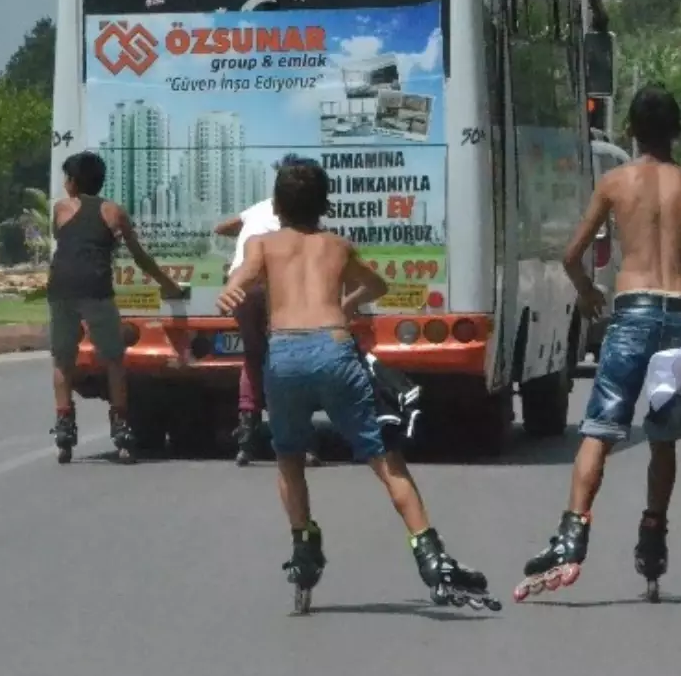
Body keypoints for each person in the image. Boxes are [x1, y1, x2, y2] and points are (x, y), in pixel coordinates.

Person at [216, 157, 499, 610]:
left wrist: (232, 288)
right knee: (385, 458)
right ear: (324, 205)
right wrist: (344, 305)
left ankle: (303, 543)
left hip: (285, 354)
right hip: (334, 349)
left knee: (288, 458)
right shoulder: (337, 246)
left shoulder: (265, 245)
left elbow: (242, 277)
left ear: (278, 206)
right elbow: (377, 287)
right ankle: (430, 553)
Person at [516, 85, 681, 600]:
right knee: (663, 434)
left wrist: (585, 293)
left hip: (633, 308)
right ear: (678, 131)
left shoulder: (614, 183)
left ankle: (573, 532)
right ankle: (653, 535)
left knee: (601, 427)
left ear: (630, 130)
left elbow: (572, 253)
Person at [48, 152, 185, 464]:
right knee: (113, 360)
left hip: (61, 289)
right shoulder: (113, 211)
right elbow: (139, 256)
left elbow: (65, 240)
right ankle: (121, 427)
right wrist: (168, 285)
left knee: (62, 360)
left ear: (72, 182)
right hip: (96, 290)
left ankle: (64, 427)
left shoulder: (60, 209)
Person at [214, 191, 320, 468]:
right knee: (290, 356)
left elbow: (221, 227)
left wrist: (242, 235)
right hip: (273, 282)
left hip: (241, 285)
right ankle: (301, 439)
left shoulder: (258, 208)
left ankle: (246, 437)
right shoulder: (298, 216)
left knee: (252, 356)